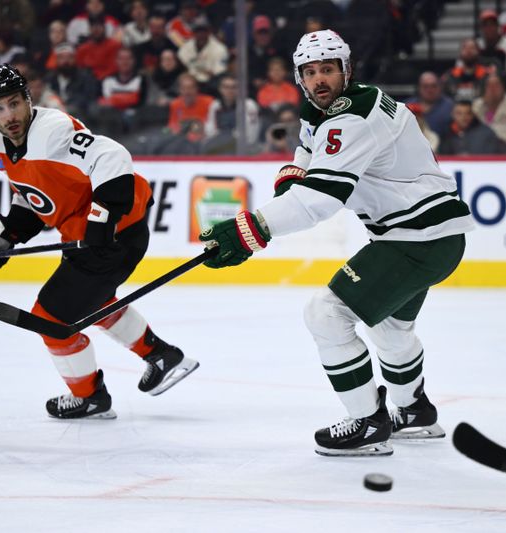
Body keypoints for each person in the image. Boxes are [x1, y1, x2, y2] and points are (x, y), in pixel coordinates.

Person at [198, 30, 474, 456]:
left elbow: (321, 200)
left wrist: (249, 229)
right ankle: (413, 410)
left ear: (347, 71)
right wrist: (293, 175)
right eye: (310, 72)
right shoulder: (325, 108)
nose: (320, 80)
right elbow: (308, 149)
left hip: (415, 239)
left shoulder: (353, 116)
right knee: (391, 327)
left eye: (328, 70)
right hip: (433, 237)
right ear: (300, 78)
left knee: (326, 315)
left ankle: (367, 422)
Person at [0, 64, 199, 419]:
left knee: (51, 318)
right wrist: (5, 235)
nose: (9, 115)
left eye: (14, 103)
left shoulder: (52, 131)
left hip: (117, 232)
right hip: (94, 233)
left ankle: (90, 396)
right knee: (93, 301)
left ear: (28, 100)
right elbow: (34, 199)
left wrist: (101, 219)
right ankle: (162, 356)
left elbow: (113, 157)